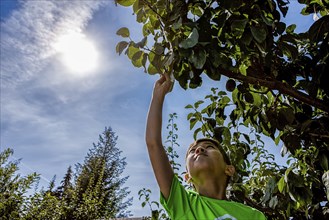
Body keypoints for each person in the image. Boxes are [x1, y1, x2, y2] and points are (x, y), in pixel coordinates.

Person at [145, 73, 266, 220]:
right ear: (187, 177)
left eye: (209, 147)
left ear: (229, 169)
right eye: (192, 151)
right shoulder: (183, 202)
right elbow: (153, 144)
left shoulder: (253, 215)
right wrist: (158, 96)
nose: (199, 149)